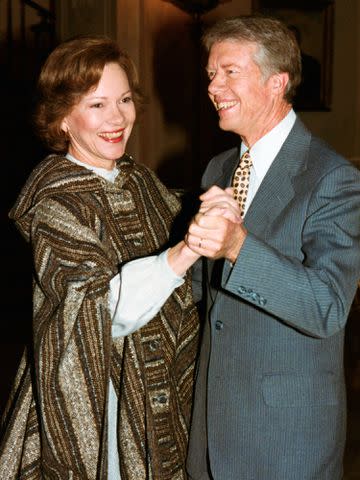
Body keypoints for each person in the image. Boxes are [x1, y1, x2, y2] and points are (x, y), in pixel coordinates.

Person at [0, 35, 203, 480]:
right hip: (95, 404)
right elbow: (103, 309)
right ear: (62, 120)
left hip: (155, 395)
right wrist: (186, 250)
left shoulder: (138, 180)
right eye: (97, 105)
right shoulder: (56, 203)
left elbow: (180, 215)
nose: (117, 118)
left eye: (125, 99)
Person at [185, 15, 360, 480]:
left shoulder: (332, 178)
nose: (213, 86)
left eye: (229, 72)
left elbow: (328, 305)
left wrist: (239, 245)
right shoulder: (218, 169)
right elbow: (205, 297)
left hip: (286, 438)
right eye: (210, 74)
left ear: (276, 82)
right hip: (211, 428)